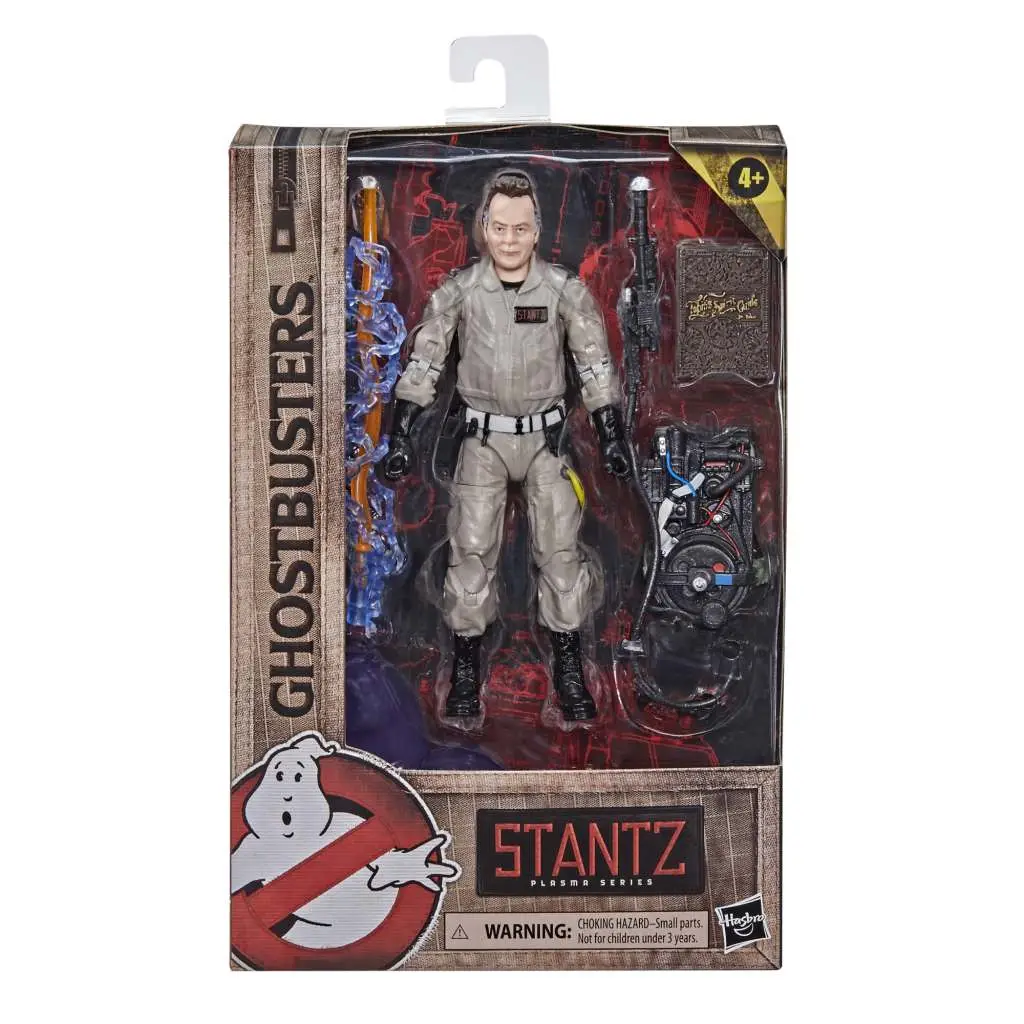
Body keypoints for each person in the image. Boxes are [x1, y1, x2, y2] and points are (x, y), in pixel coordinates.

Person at [382, 168, 629, 721]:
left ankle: (569, 669)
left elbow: (595, 365)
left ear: (536, 231)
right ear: (484, 229)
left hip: (546, 440)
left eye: (520, 229)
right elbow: (425, 364)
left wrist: (611, 435)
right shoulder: (461, 292)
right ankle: (466, 670)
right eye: (500, 228)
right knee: (470, 555)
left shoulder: (564, 291)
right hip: (483, 440)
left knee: (561, 557)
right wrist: (400, 436)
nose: (510, 240)